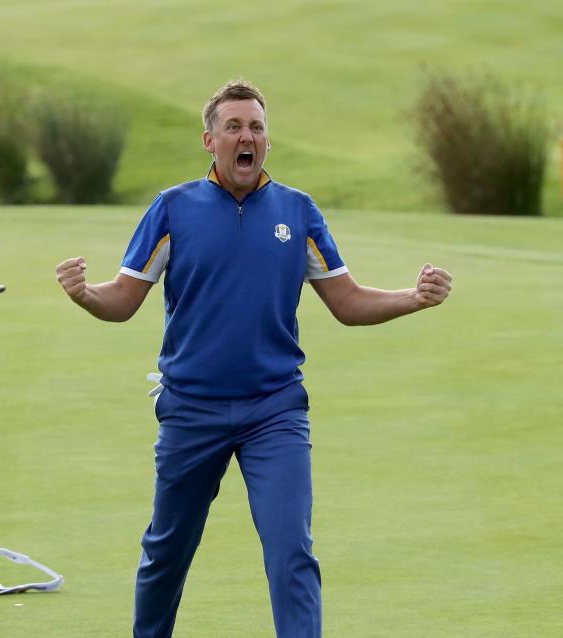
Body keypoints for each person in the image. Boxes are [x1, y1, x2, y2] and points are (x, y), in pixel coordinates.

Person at [55, 79, 452, 638]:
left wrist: (413, 298)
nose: (248, 137)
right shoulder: (172, 210)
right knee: (166, 552)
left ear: (267, 140)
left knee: (292, 551)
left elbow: (348, 302)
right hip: (191, 410)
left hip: (276, 410)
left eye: (257, 127)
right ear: (210, 140)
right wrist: (84, 293)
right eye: (234, 127)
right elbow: (122, 300)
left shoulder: (298, 211)